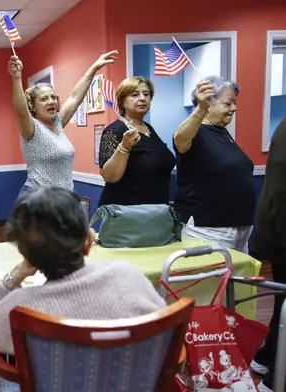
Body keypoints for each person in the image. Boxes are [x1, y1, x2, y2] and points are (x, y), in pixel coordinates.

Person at [0, 187, 166, 355]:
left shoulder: (20, 307)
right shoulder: (128, 275)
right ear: (88, 242)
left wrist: (13, 277)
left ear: (27, 256)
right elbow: (164, 329)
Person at [8, 50, 118, 197]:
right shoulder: (31, 128)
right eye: (44, 99)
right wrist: (16, 78)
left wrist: (93, 69)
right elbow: (21, 111)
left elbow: (74, 97)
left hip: (64, 199)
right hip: (38, 199)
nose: (51, 101)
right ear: (33, 106)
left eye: (53, 97)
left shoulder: (58, 123)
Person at [172, 76, 255, 253]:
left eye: (234, 103)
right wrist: (200, 110)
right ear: (209, 104)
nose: (234, 108)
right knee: (211, 281)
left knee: (237, 279)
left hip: (239, 228)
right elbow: (179, 139)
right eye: (228, 103)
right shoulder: (196, 132)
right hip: (208, 229)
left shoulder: (221, 132)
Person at [98, 77, 175, 206]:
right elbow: (109, 176)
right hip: (127, 215)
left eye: (146, 94)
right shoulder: (114, 130)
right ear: (122, 101)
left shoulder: (149, 129)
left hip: (156, 212)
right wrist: (124, 147)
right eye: (134, 95)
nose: (142, 98)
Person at [251, 117, 286, 392]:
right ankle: (275, 377)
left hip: (276, 232)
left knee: (282, 306)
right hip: (281, 235)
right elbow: (282, 193)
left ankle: (266, 359)